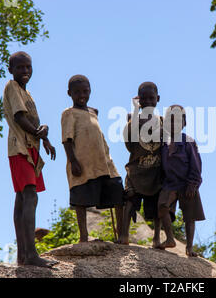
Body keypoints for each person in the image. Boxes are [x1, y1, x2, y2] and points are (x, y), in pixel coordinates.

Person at [3, 51, 57, 268]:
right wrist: (38, 132)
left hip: (30, 148)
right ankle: (31, 254)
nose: (25, 71)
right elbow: (19, 117)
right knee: (29, 196)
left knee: (22, 199)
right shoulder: (12, 87)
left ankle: (23, 256)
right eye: (20, 68)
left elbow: (33, 123)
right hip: (20, 148)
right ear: (11, 70)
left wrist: (44, 138)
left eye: (28, 67)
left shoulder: (28, 94)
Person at [61, 75, 124, 243]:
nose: (82, 95)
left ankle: (122, 234)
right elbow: (67, 140)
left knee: (117, 192)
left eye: (85, 91)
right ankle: (84, 236)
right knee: (81, 200)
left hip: (103, 162)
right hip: (83, 163)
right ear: (69, 93)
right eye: (77, 92)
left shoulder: (93, 112)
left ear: (90, 91)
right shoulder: (69, 113)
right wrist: (73, 161)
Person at [116, 82, 169, 247]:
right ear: (138, 100)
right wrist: (135, 112)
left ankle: (157, 238)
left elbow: (166, 146)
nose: (148, 102)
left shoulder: (162, 122)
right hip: (136, 171)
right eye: (143, 99)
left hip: (156, 172)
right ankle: (124, 235)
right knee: (130, 200)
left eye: (151, 98)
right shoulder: (133, 121)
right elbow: (129, 144)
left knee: (156, 205)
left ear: (158, 99)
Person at [157, 105, 205, 257]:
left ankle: (189, 248)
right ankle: (170, 239)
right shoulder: (163, 144)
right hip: (170, 184)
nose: (173, 125)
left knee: (190, 216)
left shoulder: (188, 142)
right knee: (162, 206)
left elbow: (196, 165)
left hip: (187, 184)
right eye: (170, 121)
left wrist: (193, 184)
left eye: (178, 121)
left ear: (184, 124)